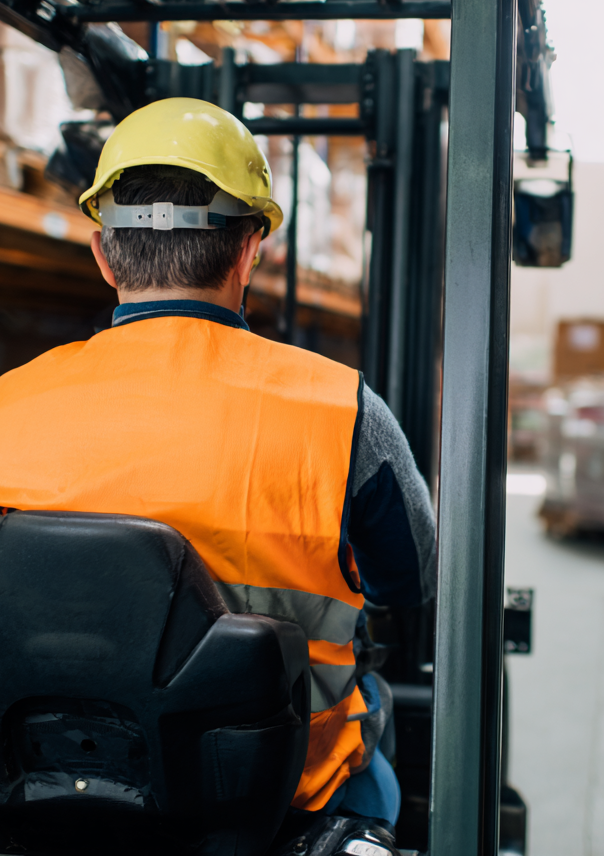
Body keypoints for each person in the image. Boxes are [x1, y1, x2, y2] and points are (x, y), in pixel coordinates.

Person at [0, 99, 436, 856]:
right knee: (376, 766)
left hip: (39, 793)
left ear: (104, 255)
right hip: (287, 802)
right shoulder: (342, 410)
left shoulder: (11, 403)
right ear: (251, 249)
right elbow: (412, 584)